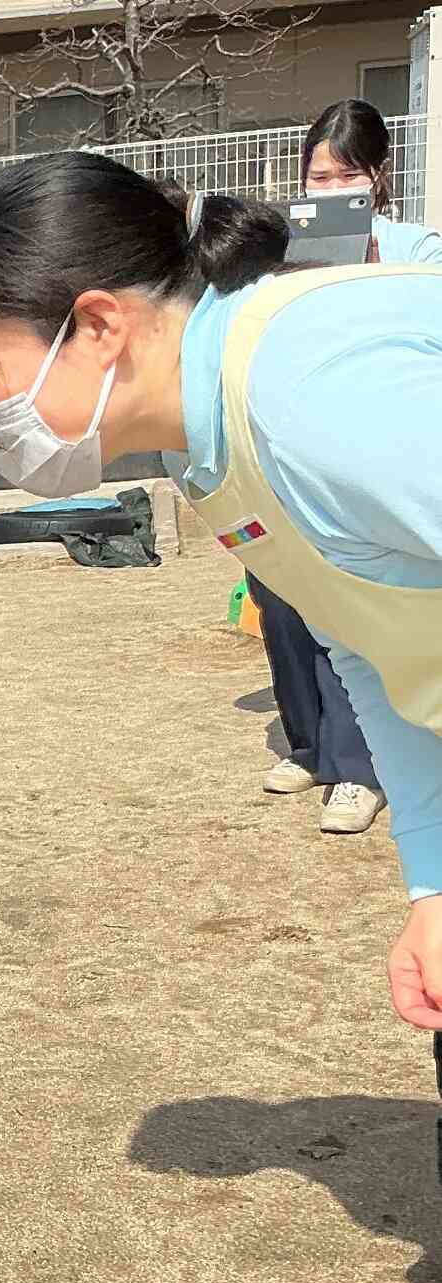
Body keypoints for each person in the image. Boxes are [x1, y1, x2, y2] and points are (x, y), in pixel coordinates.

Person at [0, 147, 442, 1283]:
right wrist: (430, 880)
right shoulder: (217, 451)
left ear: (95, 324)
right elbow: (381, 654)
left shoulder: (307, 387)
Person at [247, 101, 442, 835]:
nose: (330, 191)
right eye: (316, 177)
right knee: (282, 604)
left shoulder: (412, 247)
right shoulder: (280, 254)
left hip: (374, 457)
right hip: (290, 452)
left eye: (347, 176)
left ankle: (358, 773)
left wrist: (367, 271)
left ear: (379, 176)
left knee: (353, 615)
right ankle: (308, 745)